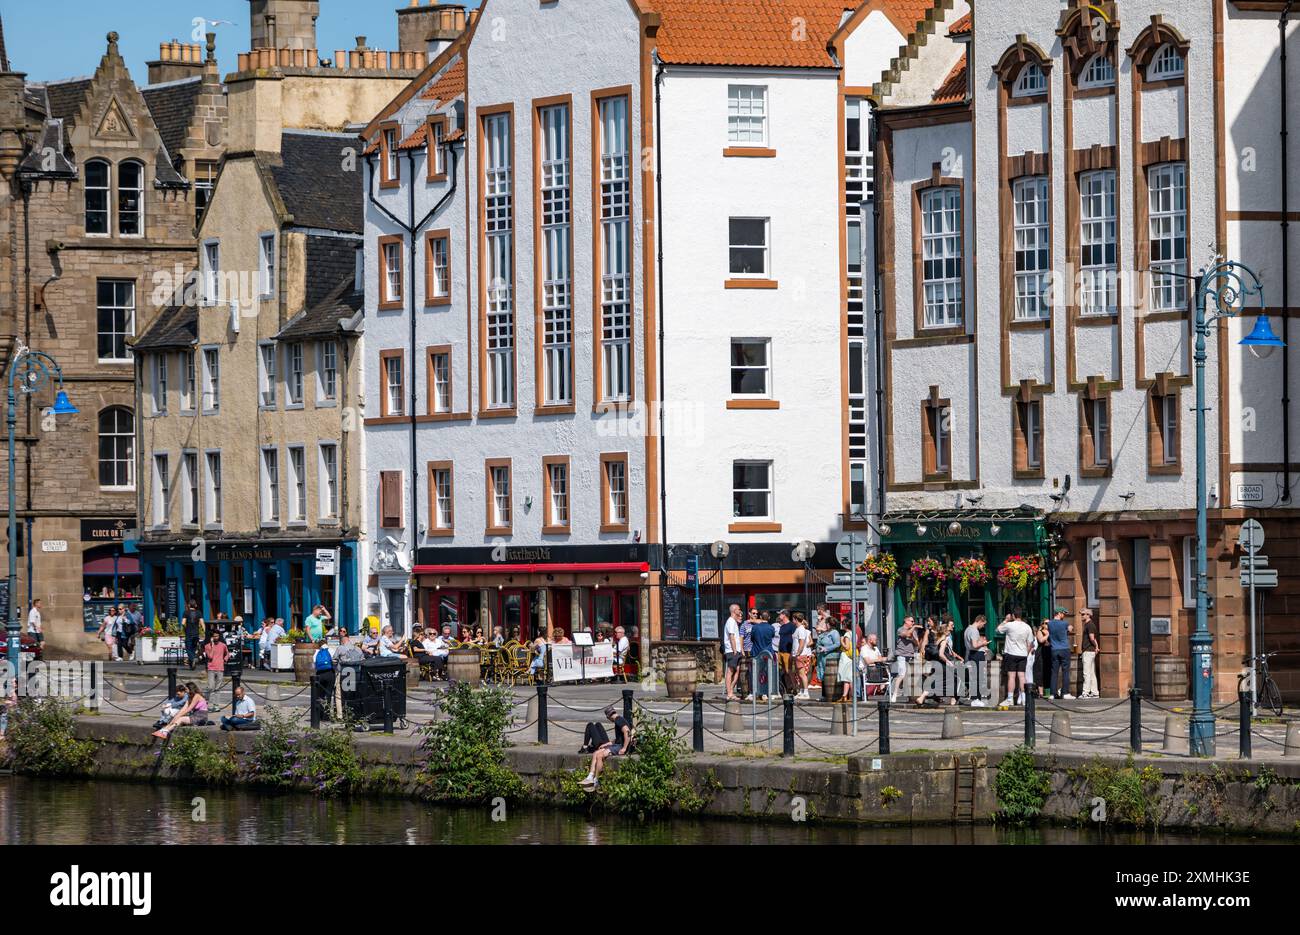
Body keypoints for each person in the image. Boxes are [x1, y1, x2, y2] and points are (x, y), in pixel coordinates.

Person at [579, 705, 633, 789]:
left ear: (608, 716)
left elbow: (627, 732)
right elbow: (619, 738)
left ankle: (596, 781)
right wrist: (607, 743)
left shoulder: (618, 720)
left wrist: (624, 748)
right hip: (617, 745)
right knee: (595, 753)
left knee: (600, 755)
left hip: (620, 747)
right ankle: (590, 777)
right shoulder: (619, 719)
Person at [996, 609, 1034, 707]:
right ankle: (1025, 699)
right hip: (1022, 654)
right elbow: (1030, 643)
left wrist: (1005, 620)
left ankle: (1010, 699)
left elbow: (997, 629)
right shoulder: (1027, 627)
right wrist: (1026, 653)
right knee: (1022, 676)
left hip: (1011, 653)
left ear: (1013, 615)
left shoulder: (1009, 625)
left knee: (1011, 677)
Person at [892, 616, 920, 703]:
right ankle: (895, 694)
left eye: (913, 621)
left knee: (911, 676)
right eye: (911, 621)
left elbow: (917, 643)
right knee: (902, 674)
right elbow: (906, 634)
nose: (913, 623)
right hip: (902, 655)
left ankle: (910, 696)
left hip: (911, 655)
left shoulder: (913, 631)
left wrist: (913, 638)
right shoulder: (900, 629)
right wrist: (914, 628)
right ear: (906, 621)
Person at [1047, 608, 1074, 699]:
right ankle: (1065, 693)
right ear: (1058, 613)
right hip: (1064, 649)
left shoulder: (1049, 624)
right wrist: (1069, 628)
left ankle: (1052, 693)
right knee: (1065, 671)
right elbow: (1070, 629)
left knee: (1054, 672)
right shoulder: (1065, 623)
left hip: (1054, 649)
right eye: (1063, 613)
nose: (1064, 615)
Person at [964, 615, 990, 707]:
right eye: (983, 624)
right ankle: (976, 699)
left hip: (972, 654)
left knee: (975, 677)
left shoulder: (968, 629)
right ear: (980, 621)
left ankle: (975, 698)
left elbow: (971, 645)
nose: (983, 626)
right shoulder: (974, 630)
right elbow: (974, 645)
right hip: (976, 655)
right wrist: (983, 643)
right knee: (978, 677)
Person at [750, 612, 776, 701]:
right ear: (768, 617)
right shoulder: (771, 628)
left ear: (760, 617)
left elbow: (752, 638)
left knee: (756, 673)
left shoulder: (755, 627)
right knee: (767, 672)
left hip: (756, 652)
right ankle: (766, 692)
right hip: (768, 653)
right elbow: (772, 637)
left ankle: (756, 692)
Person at [936, 621, 963, 706]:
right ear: (945, 630)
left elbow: (949, 651)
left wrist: (958, 657)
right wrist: (948, 661)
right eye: (951, 626)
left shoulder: (938, 639)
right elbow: (942, 653)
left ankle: (953, 699)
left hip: (941, 662)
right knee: (955, 679)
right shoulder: (944, 639)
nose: (952, 627)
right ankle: (953, 699)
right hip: (946, 662)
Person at [722, 604, 744, 700]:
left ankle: (730, 690)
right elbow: (731, 637)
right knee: (730, 671)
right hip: (731, 650)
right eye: (739, 609)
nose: (740, 611)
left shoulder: (734, 621)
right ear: (734, 610)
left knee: (737, 670)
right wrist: (734, 650)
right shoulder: (730, 621)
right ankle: (729, 693)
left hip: (737, 650)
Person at [792, 612, 813, 700]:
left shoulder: (800, 629)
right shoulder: (799, 629)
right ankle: (801, 691)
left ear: (796, 619)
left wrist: (798, 653)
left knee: (802, 674)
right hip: (798, 654)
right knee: (799, 674)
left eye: (793, 619)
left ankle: (806, 692)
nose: (792, 620)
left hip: (800, 655)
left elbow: (801, 642)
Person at [1079, 608, 1100, 698]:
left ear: (1088, 615)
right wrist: (1097, 646)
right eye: (1081, 614)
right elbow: (1093, 638)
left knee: (1086, 673)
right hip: (1090, 651)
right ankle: (1095, 692)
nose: (1082, 616)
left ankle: (1085, 692)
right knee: (1092, 672)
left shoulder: (1089, 625)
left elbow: (1092, 638)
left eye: (1083, 614)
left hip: (1088, 651)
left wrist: (1096, 646)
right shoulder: (1089, 625)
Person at [815, 617, 840, 689]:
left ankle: (828, 695)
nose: (825, 624)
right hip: (822, 657)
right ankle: (824, 695)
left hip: (830, 657)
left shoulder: (834, 632)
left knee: (828, 676)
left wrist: (826, 648)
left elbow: (837, 644)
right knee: (823, 674)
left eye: (826, 623)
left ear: (829, 624)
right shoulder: (826, 632)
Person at [203, 631, 229, 698]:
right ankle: (206, 700)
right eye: (214, 636)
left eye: (217, 636)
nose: (216, 637)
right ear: (211, 637)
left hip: (220, 668)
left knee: (217, 688)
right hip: (211, 668)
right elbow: (210, 656)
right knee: (210, 687)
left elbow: (227, 653)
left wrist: (224, 660)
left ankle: (216, 705)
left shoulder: (223, 645)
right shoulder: (207, 646)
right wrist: (212, 645)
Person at [776, 610, 796, 695]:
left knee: (789, 671)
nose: (779, 616)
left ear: (784, 615)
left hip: (788, 651)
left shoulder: (792, 626)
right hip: (781, 651)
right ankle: (788, 688)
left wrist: (793, 651)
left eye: (780, 614)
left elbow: (795, 639)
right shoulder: (782, 626)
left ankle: (795, 688)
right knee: (783, 671)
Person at [182, 601, 204, 670]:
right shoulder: (199, 613)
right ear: (195, 605)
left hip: (189, 633)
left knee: (188, 648)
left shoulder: (186, 612)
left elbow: (183, 623)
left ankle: (192, 659)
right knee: (194, 648)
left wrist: (185, 629)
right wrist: (204, 631)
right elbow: (202, 623)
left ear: (189, 605)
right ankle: (192, 663)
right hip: (196, 633)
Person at [835, 634, 855, 703]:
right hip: (852, 656)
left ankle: (851, 696)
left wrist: (841, 641)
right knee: (848, 678)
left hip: (846, 657)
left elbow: (847, 647)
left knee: (847, 678)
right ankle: (845, 695)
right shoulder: (854, 633)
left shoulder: (847, 635)